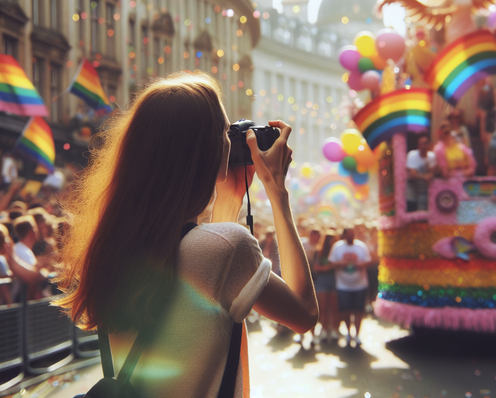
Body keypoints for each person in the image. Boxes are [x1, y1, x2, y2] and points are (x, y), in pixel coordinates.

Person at [52, 72, 318, 397]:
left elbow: (208, 292)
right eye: (224, 132)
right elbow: (304, 314)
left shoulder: (114, 245)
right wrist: (278, 193)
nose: (230, 141)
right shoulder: (225, 248)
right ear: (204, 151)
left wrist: (231, 197)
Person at [328, 228, 371, 346]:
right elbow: (331, 263)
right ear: (344, 235)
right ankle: (348, 332)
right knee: (346, 310)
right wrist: (340, 263)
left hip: (360, 285)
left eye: (353, 234)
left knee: (358, 310)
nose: (351, 236)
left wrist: (361, 264)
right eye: (348, 234)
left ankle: (357, 334)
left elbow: (368, 261)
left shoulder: (361, 246)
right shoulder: (337, 247)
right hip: (343, 286)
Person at [312, 229, 338, 343]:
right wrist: (327, 267)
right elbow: (316, 267)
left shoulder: (336, 252)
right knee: (323, 307)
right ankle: (323, 328)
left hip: (334, 280)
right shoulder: (319, 252)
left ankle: (332, 328)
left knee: (333, 306)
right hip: (322, 281)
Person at [406, 133, 437, 211]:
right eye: (423, 143)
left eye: (426, 143)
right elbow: (413, 174)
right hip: (414, 189)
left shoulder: (432, 156)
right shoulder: (412, 155)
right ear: (418, 145)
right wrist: (425, 176)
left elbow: (433, 172)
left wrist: (430, 173)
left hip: (426, 190)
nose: (424, 145)